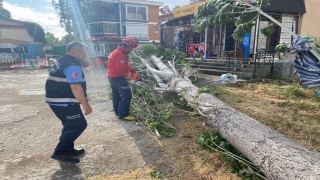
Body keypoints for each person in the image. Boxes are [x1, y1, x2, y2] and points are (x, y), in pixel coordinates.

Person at [45, 41, 92, 164]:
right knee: (78, 124)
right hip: (63, 101)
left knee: (70, 124)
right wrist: (85, 104)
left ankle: (68, 149)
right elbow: (76, 86)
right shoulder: (72, 64)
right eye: (83, 53)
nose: (85, 56)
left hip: (57, 99)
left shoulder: (63, 60)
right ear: (75, 52)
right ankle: (60, 152)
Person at [107, 37, 138, 121]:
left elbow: (125, 65)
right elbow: (120, 69)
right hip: (118, 78)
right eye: (132, 48)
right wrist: (127, 76)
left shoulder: (117, 52)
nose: (132, 50)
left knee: (116, 95)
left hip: (112, 77)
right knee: (126, 95)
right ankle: (124, 114)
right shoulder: (120, 54)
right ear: (129, 46)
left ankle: (117, 111)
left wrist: (132, 70)